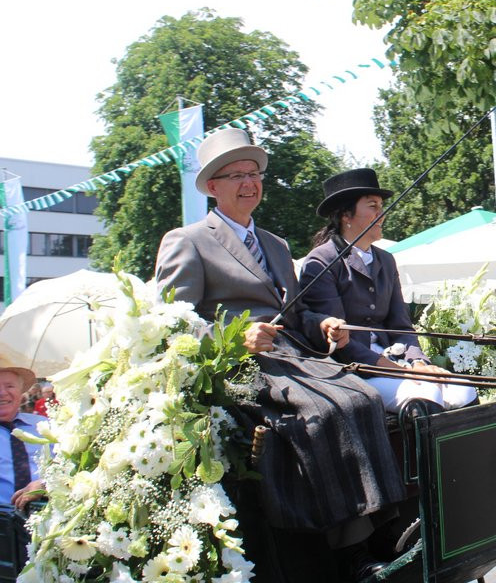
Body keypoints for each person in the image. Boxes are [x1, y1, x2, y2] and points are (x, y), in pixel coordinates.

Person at [154, 129, 402, 580]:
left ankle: (380, 527)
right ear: (213, 186)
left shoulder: (275, 244)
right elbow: (171, 324)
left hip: (294, 355)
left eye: (255, 174)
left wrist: (323, 325)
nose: (250, 183)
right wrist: (235, 337)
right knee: (331, 409)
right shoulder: (187, 240)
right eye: (237, 176)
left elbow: (297, 310)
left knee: (364, 397)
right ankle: (348, 550)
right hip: (240, 368)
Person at [300, 168, 476, 412]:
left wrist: (418, 362)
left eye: (381, 206)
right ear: (345, 215)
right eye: (373, 206)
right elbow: (340, 341)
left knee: (463, 390)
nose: (382, 214)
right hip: (353, 371)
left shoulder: (386, 260)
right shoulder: (321, 261)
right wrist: (395, 370)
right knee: (424, 394)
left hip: (396, 361)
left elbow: (401, 325)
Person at [0, 363, 46, 512]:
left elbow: (70, 468)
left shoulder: (45, 426)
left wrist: (45, 483)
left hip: (46, 520)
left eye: (10, 386)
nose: (2, 393)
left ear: (21, 392)